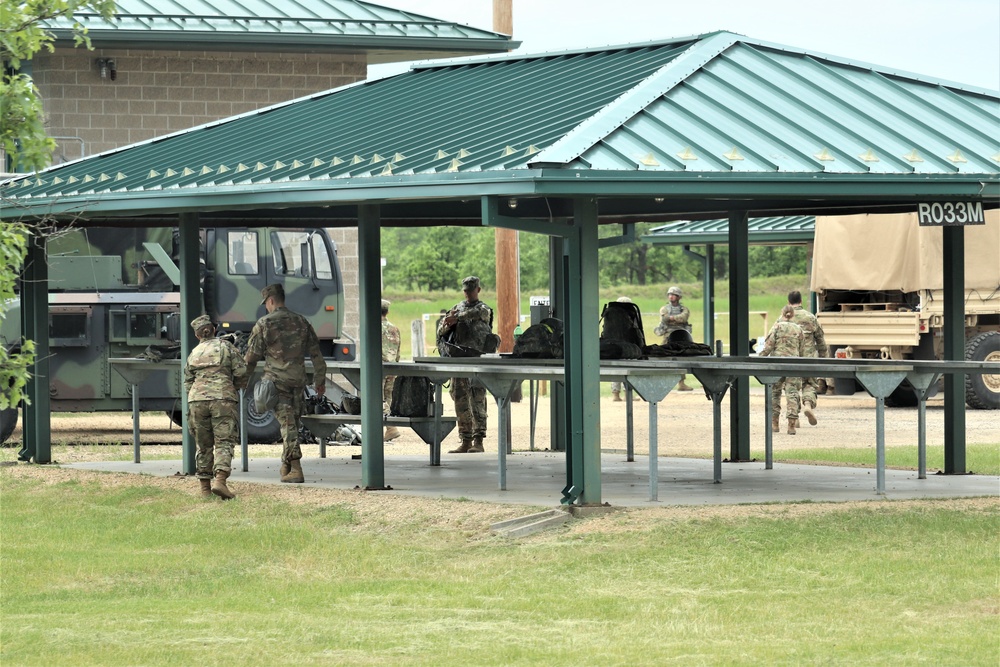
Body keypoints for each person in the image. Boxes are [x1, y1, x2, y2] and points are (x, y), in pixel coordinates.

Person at [244, 283, 327, 483]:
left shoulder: (264, 324)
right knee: (291, 424)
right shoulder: (302, 322)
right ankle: (286, 465)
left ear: (271, 301)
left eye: (266, 303)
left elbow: (251, 358)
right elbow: (317, 355)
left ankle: (296, 467)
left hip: (276, 383)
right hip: (298, 381)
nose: (266, 307)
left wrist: (242, 380)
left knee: (288, 425)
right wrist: (320, 381)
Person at [184, 314, 248, 500]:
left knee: (203, 445)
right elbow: (241, 371)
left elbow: (188, 381)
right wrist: (233, 386)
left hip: (196, 400)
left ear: (197, 335)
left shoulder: (194, 352)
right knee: (224, 441)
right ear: (213, 329)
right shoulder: (226, 347)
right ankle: (220, 481)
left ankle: (204, 489)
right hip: (222, 398)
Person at [437, 276, 494, 453]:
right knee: (460, 400)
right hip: (459, 360)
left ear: (478, 289)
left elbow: (481, 314)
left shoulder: (482, 308)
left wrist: (457, 318)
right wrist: (447, 324)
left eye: (472, 289)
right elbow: (442, 328)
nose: (469, 293)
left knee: (477, 399)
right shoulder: (456, 308)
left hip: (477, 361)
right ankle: (466, 440)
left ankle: (479, 440)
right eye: (466, 290)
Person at [760, 305, 806, 435]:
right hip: (793, 365)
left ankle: (775, 424)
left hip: (777, 365)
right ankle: (791, 426)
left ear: (782, 314)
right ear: (792, 315)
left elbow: (768, 347)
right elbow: (802, 350)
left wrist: (760, 359)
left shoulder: (776, 327)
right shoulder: (798, 329)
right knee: (792, 394)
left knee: (775, 393)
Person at [787, 290, 828, 426]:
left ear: (788, 302)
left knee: (791, 387)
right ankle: (808, 405)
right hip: (808, 358)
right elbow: (820, 340)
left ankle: (795, 417)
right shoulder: (810, 318)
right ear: (801, 301)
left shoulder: (784, 318)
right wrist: (823, 358)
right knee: (809, 384)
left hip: (790, 359)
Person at [654, 285, 694, 391]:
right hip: (667, 336)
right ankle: (661, 383)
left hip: (681, 336)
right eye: (670, 295)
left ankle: (681, 383)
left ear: (679, 297)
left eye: (674, 295)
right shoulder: (664, 308)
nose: (671, 297)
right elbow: (665, 319)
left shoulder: (684, 309)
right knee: (663, 358)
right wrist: (674, 319)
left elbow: (683, 318)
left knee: (682, 359)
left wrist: (673, 318)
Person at [381, 299, 402, 441]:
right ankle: (389, 426)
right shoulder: (394, 329)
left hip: (378, 367)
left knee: (377, 397)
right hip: (392, 366)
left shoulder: (373, 327)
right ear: (387, 311)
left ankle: (390, 427)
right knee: (388, 397)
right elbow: (398, 350)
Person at [611, 296, 638, 402]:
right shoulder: (630, 316)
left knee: (615, 370)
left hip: (613, 347)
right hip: (627, 347)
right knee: (628, 369)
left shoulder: (610, 315)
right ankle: (628, 394)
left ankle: (615, 394)